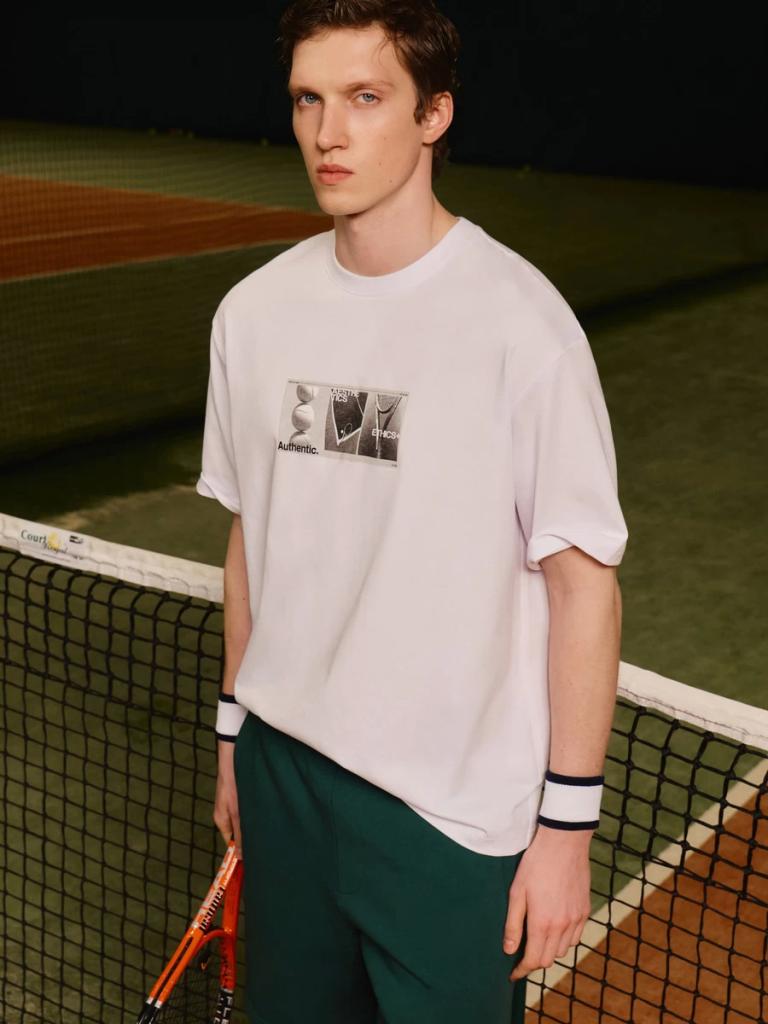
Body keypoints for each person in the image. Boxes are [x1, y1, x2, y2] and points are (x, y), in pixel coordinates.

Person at [196, 2, 628, 1021]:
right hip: (284, 774)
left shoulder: (523, 327)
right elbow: (252, 540)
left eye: (365, 98)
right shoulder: (252, 315)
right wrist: (233, 736)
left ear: (434, 114)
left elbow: (584, 589)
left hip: (448, 820)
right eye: (308, 100)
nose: (328, 133)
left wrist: (566, 833)